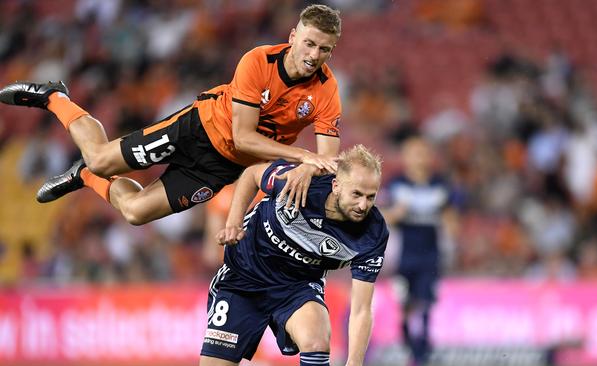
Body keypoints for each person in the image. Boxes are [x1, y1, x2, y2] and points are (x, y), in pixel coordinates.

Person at [0, 4, 342, 225]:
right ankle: (54, 96)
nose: (314, 54)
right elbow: (244, 136)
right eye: (309, 43)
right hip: (198, 129)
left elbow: (327, 161)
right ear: (293, 36)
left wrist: (310, 168)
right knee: (102, 159)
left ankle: (85, 176)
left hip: (221, 168)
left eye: (324, 49)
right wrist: (302, 157)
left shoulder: (327, 90)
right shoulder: (258, 61)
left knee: (135, 212)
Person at [202, 144, 388, 366]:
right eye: (356, 194)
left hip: (298, 285)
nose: (362, 205)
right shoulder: (300, 180)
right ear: (336, 185)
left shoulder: (373, 234)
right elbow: (252, 174)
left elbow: (361, 309)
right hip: (244, 276)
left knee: (317, 342)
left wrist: (354, 363)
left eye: (370, 197)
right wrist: (233, 223)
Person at [382, 135, 458, 366]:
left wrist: (451, 225)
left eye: (423, 152)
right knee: (406, 302)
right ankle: (407, 335)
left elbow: (451, 218)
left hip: (430, 253)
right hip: (404, 254)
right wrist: (397, 213)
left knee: (426, 300)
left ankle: (422, 349)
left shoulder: (440, 185)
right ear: (405, 157)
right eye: (414, 153)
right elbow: (383, 217)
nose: (419, 158)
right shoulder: (396, 185)